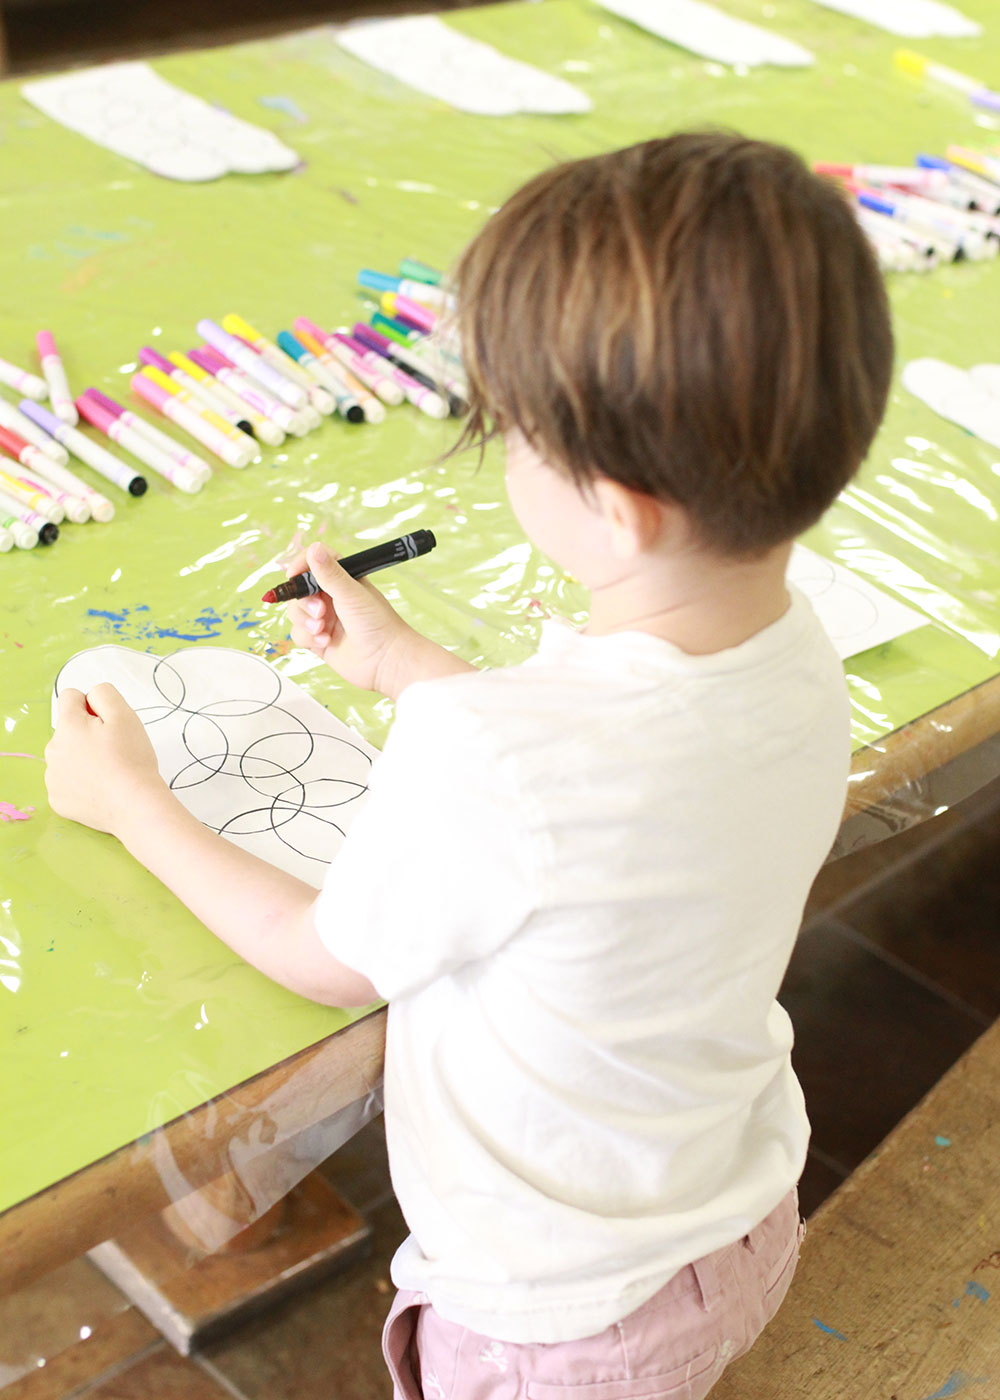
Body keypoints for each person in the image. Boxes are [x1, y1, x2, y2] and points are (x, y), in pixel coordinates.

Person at [45, 131, 893, 1399]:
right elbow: (600, 779)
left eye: (513, 433)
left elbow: (325, 956)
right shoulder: (796, 652)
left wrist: (135, 801)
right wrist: (399, 663)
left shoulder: (497, 750)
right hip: (738, 1214)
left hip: (556, 1324)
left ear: (616, 507)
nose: (500, 456)